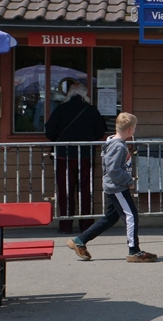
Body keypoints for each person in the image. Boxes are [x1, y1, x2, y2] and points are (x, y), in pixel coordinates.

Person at [65, 112, 156, 262]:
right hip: (118, 187)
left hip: (115, 186)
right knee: (131, 216)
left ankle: (80, 240)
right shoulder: (118, 146)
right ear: (130, 130)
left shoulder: (114, 142)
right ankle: (134, 251)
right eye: (134, 127)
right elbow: (113, 170)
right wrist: (129, 181)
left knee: (110, 218)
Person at [45, 79, 106, 223]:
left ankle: (66, 225)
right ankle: (86, 224)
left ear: (70, 94)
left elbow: (50, 132)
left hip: (64, 155)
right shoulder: (92, 110)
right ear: (85, 94)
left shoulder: (61, 109)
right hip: (86, 154)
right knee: (86, 190)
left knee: (65, 191)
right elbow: (100, 131)